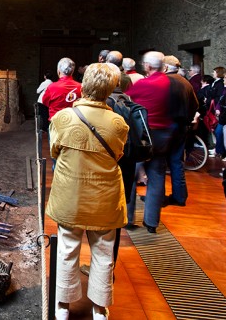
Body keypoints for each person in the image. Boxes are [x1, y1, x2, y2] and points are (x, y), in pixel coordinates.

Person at [46, 63, 129, 320]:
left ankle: (62, 304)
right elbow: (118, 154)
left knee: (67, 248)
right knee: (104, 252)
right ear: (111, 88)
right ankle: (99, 307)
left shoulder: (64, 118)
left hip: (71, 194)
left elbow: (54, 151)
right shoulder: (118, 123)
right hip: (104, 197)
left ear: (85, 85)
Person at [126, 51, 178, 232]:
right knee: (156, 177)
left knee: (131, 175)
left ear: (147, 66)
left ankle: (129, 218)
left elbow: (127, 100)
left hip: (144, 135)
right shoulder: (171, 84)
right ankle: (152, 222)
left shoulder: (143, 84)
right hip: (164, 135)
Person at [162, 55, 199, 207]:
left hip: (166, 127)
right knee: (177, 162)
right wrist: (187, 119)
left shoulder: (165, 82)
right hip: (182, 126)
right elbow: (195, 105)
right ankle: (180, 196)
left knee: (159, 164)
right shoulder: (186, 83)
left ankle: (158, 197)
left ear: (165, 67)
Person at [210, 66, 226, 158]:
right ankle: (217, 148)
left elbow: (220, 97)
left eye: (214, 72)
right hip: (216, 107)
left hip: (218, 109)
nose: (213, 73)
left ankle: (220, 150)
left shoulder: (219, 83)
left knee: (218, 130)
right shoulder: (216, 83)